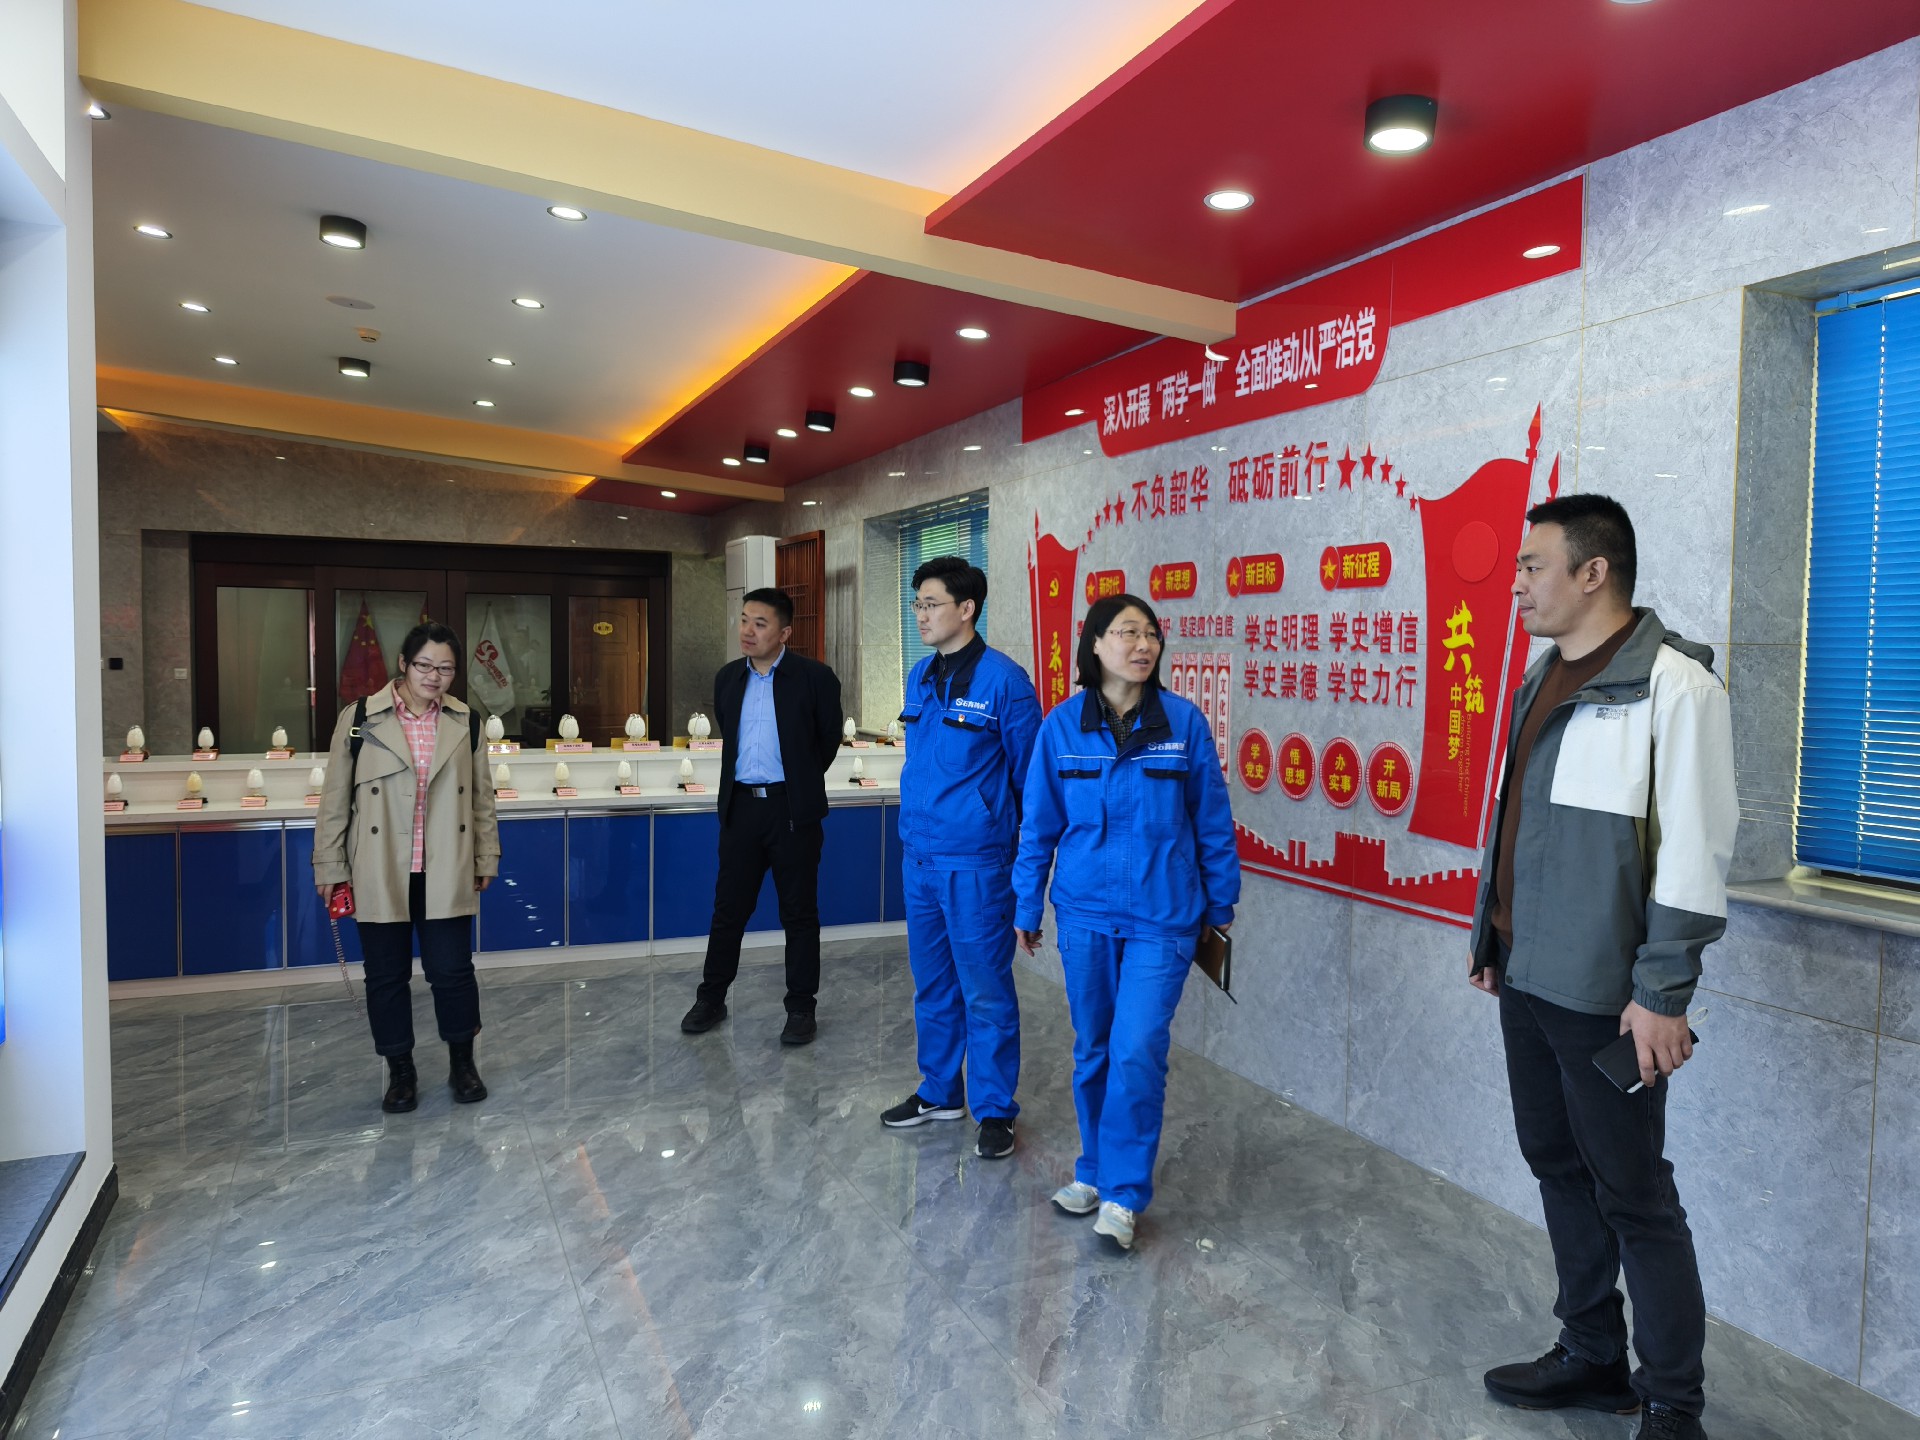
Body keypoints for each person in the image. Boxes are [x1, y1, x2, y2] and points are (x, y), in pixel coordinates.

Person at [1469, 495, 1736, 1440]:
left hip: (1606, 998)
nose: (1516, 583)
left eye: (1532, 565)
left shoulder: (1675, 687)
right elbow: (1517, 826)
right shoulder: (1542, 676)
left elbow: (1696, 854)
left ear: (1594, 572)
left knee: (1636, 1196)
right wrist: (1492, 939)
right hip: (1528, 976)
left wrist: (1661, 994)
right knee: (1554, 1163)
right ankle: (1592, 1354)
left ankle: (1672, 1404)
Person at [1012, 594, 1239, 1250]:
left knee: (1137, 1048)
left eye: (1152, 635)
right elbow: (1039, 827)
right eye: (1127, 633)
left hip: (1163, 918)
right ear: (1095, 643)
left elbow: (1211, 820)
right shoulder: (1061, 727)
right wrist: (1027, 905)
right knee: (1093, 1047)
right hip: (1085, 914)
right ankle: (1094, 1169)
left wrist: (1220, 905)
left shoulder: (1183, 724)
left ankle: (1124, 1192)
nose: (1143, 645)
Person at [881, 556, 1041, 1159]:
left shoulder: (1005, 682)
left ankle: (995, 1108)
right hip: (919, 859)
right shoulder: (920, 676)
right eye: (917, 604)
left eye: (931, 604)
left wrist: (1026, 879)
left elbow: (1031, 786)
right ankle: (940, 1091)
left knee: (986, 991)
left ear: (967, 608)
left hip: (977, 864)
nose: (920, 615)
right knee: (932, 985)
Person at [313, 621, 500, 1113]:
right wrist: (330, 865)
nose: (434, 677)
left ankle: (463, 1063)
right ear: (403, 663)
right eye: (424, 665)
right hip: (379, 866)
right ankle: (400, 1071)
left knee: (452, 972)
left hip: (446, 864)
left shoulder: (466, 721)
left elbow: (482, 799)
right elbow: (334, 800)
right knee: (385, 976)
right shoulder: (360, 718)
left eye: (446, 669)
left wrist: (486, 854)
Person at [681, 587, 844, 1045]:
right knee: (728, 910)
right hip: (741, 811)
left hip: (791, 810)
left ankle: (801, 1007)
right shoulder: (728, 678)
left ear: (784, 633)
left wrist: (798, 782)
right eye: (744, 620)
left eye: (760, 623)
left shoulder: (814, 678)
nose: (747, 631)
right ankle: (712, 998)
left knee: (799, 913)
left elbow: (827, 741)